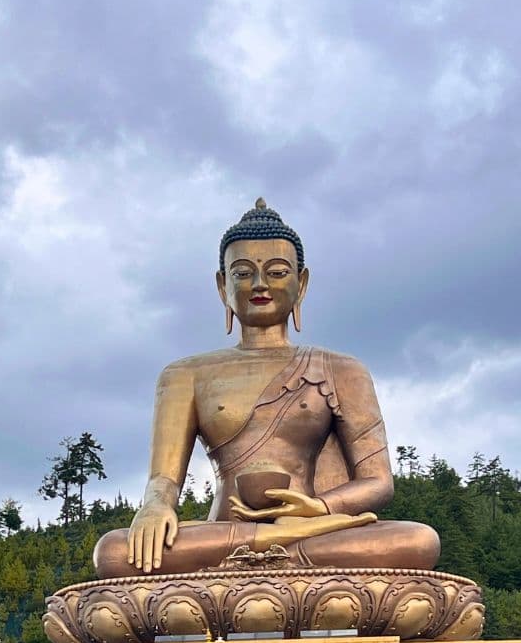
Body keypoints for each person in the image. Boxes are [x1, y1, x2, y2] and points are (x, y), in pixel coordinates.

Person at [91, 199, 440, 579]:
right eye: (243, 273)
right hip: (225, 532)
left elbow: (377, 482)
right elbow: (164, 480)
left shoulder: (342, 370)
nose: (259, 284)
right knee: (113, 552)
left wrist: (317, 510)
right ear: (222, 285)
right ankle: (271, 557)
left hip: (311, 528)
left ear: (301, 284)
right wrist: (156, 506)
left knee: (419, 542)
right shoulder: (184, 375)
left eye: (276, 271)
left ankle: (252, 566)